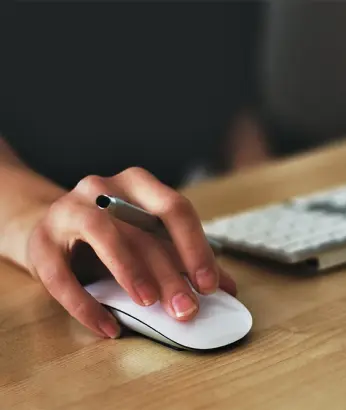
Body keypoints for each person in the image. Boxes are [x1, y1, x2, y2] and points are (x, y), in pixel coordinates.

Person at [0, 3, 266, 339]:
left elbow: (238, 103)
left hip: (188, 212)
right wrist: (35, 218)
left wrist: (265, 210)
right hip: (49, 205)